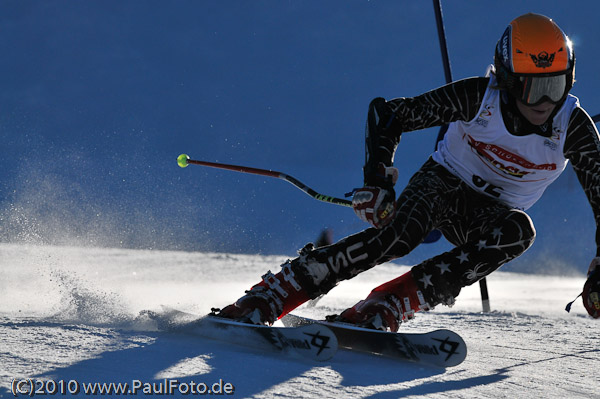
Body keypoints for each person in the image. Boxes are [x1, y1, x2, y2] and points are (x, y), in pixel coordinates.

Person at [214, 13, 600, 330]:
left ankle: (393, 302)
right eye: (534, 89)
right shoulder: (478, 98)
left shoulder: (574, 129)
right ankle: (280, 290)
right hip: (444, 183)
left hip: (489, 214)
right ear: (506, 80)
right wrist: (378, 180)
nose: (546, 102)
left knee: (518, 231)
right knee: (400, 237)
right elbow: (389, 115)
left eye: (557, 85)